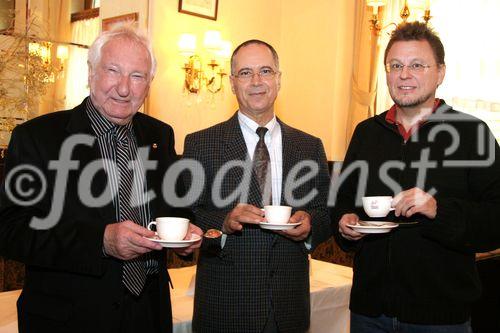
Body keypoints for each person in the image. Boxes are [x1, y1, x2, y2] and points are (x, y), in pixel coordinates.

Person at [0, 26, 202, 333]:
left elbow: (176, 207)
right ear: (91, 72)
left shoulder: (159, 134)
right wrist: (101, 241)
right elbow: (10, 229)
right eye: (113, 71)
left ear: (149, 84)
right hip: (71, 317)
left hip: (148, 311)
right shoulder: (38, 138)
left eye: (137, 76)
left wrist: (184, 235)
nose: (124, 88)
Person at [333, 21, 500, 332]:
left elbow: (495, 221)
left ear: (440, 72)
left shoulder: (473, 134)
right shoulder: (366, 133)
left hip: (441, 317)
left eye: (417, 65)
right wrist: (345, 223)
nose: (404, 74)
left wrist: (438, 209)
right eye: (395, 65)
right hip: (369, 313)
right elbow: (343, 200)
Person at [182, 40, 331, 332]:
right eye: (246, 73)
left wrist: (311, 223)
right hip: (226, 308)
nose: (257, 81)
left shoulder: (309, 146)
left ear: (279, 79)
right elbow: (190, 216)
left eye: (265, 71)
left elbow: (325, 212)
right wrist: (223, 222)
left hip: (289, 308)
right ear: (232, 83)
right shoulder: (201, 144)